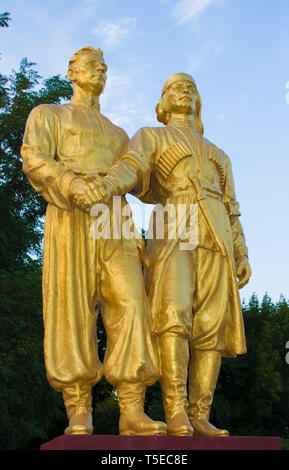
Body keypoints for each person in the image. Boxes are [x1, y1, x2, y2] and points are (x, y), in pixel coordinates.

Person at [20, 47, 167, 436]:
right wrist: (70, 183)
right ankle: (78, 406)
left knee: (133, 301)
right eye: (91, 65)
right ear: (72, 71)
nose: (100, 71)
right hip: (70, 210)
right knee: (71, 306)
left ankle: (132, 407)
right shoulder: (49, 114)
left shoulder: (120, 134)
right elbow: (33, 157)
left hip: (113, 215)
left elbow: (145, 182)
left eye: (104, 67)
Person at [95, 73, 252, 436]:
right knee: (173, 314)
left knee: (211, 326)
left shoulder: (220, 155)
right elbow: (130, 168)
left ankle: (200, 414)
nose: (183, 91)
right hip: (174, 220)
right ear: (162, 104)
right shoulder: (152, 135)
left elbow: (233, 210)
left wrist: (242, 252)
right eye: (174, 88)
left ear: (198, 102)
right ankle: (176, 410)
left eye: (191, 88)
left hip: (219, 234)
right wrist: (104, 185)